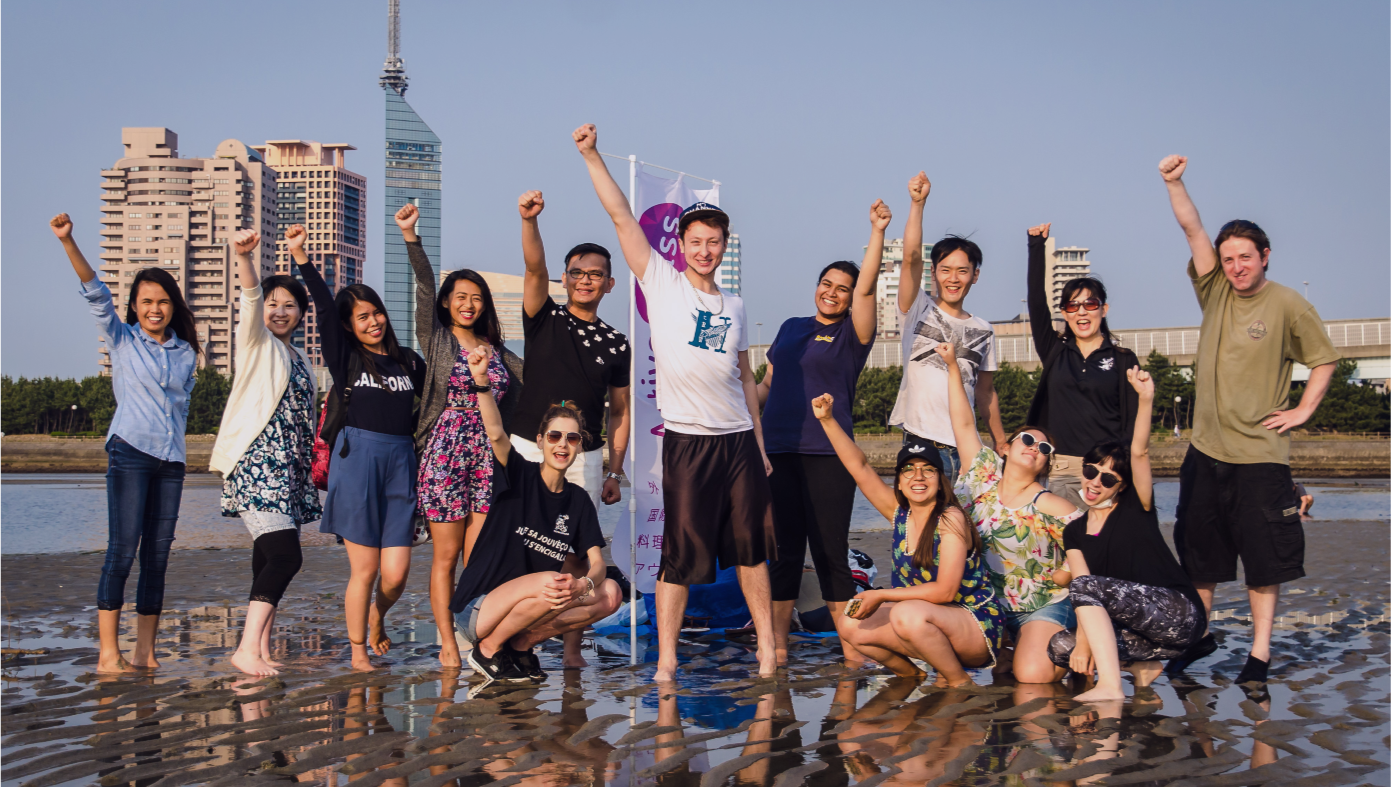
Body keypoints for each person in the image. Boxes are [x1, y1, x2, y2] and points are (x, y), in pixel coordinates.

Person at [574, 123, 778, 680]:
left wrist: (759, 449)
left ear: (723, 247)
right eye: (696, 242)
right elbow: (620, 217)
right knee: (679, 557)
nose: (705, 251)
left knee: (753, 553)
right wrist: (593, 156)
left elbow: (742, 380)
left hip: (738, 440)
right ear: (682, 247)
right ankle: (665, 660)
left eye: (715, 243)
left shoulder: (735, 305)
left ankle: (765, 651)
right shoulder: (662, 283)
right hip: (687, 441)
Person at [1158, 155, 1341, 682]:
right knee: (1200, 555)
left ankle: (1259, 654)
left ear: (1265, 256)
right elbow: (1191, 226)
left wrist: (1304, 410)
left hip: (1260, 456)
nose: (1236, 266)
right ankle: (1201, 635)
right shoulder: (1214, 290)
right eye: (1228, 257)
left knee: (1264, 560)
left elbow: (1325, 359)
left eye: (1245, 257)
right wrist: (1174, 182)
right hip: (1205, 451)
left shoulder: (1288, 306)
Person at [50, 213, 199, 675]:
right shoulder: (122, 339)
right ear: (134, 307)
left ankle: (145, 653)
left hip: (172, 460)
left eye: (163, 301)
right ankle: (108, 654)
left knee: (158, 557)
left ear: (174, 305)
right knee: (122, 551)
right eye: (146, 302)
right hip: (130, 452)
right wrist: (68, 240)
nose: (155, 308)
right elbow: (94, 292)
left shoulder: (187, 353)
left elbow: (182, 411)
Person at [755, 199, 890, 665]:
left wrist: (876, 232)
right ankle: (776, 645)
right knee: (785, 552)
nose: (832, 293)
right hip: (777, 452)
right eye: (827, 284)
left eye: (843, 288)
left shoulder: (855, 334)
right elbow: (767, 386)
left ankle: (852, 647)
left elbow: (869, 287)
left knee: (830, 551)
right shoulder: (791, 327)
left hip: (829, 455)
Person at [294, 224, 427, 671]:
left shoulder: (409, 362)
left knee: (396, 574)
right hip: (357, 463)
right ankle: (357, 653)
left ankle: (377, 616)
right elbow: (327, 313)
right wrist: (302, 258)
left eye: (376, 313)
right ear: (351, 327)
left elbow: (432, 410)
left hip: (400, 464)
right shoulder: (347, 358)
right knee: (365, 570)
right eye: (362, 318)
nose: (372, 322)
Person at [396, 203, 522, 670]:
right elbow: (424, 284)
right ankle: (448, 643)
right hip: (446, 453)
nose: (469, 304)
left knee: (482, 557)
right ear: (448, 302)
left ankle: (480, 637)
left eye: (477, 298)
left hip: (488, 458)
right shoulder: (437, 338)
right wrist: (412, 236)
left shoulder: (499, 353)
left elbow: (538, 388)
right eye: (460, 297)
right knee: (446, 557)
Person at [450, 345, 623, 684]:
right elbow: (497, 433)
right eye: (555, 436)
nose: (562, 444)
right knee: (551, 582)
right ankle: (487, 650)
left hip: (527, 610)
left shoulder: (577, 502)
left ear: (580, 445)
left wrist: (583, 584)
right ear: (541, 441)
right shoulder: (518, 473)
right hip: (478, 608)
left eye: (572, 438)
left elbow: (596, 563)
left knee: (611, 594)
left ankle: (521, 645)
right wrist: (481, 381)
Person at [514, 189, 632, 668]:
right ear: (565, 278)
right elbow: (533, 269)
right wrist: (530, 222)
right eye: (578, 273)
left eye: (596, 275)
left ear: (609, 284)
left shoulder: (617, 343)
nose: (586, 280)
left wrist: (614, 471)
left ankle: (569, 646)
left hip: (583, 456)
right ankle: (507, 628)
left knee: (575, 552)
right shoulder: (544, 318)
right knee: (518, 537)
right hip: (526, 446)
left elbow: (620, 412)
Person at [813, 394, 1004, 685]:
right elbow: (860, 467)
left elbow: (944, 592)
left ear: (941, 480)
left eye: (928, 469)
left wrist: (880, 594)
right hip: (925, 621)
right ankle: (911, 676)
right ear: (899, 482)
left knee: (905, 613)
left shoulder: (950, 517)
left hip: (974, 624)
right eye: (909, 469)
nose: (919, 476)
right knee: (849, 623)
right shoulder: (899, 515)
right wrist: (827, 420)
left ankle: (958, 681)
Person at [1046, 368, 1207, 701]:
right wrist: (1083, 644)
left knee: (1084, 589)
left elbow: (1139, 452)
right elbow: (1082, 584)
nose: (1095, 482)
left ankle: (1111, 686)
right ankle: (1141, 669)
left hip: (1178, 613)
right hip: (1143, 634)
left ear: (1121, 487)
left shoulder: (1137, 507)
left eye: (1107, 479)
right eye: (1091, 471)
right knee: (1062, 646)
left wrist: (1145, 398)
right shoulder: (1074, 532)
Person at [938, 341, 1082, 684]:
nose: (1035, 448)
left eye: (1043, 448)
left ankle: (1074, 644)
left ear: (1047, 463)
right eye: (1027, 440)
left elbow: (1093, 541)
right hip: (987, 605)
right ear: (1008, 447)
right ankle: (1010, 648)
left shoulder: (1049, 504)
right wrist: (953, 367)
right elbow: (962, 421)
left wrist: (1065, 572)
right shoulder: (981, 471)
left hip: (1042, 605)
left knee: (1031, 676)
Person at [212, 229, 320, 677]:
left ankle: (261, 647)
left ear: (300, 315)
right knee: (285, 556)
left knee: (265, 559)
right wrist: (245, 257)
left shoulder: (300, 360)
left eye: (289, 305)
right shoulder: (256, 345)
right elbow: (251, 299)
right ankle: (244, 648)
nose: (279, 310)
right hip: (258, 465)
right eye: (274, 303)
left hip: (289, 471)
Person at [888, 171, 1006, 480]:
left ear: (974, 275)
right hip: (920, 441)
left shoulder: (984, 329)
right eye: (946, 270)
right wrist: (918, 204)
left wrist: (1000, 440)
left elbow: (986, 391)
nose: (953, 279)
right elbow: (911, 258)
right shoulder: (917, 308)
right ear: (934, 272)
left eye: (962, 271)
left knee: (963, 527)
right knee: (921, 526)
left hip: (967, 448)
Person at [1025, 223, 1141, 511]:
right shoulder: (1055, 351)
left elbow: (1133, 423)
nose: (1081, 312)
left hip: (1108, 472)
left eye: (1090, 304)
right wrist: (1036, 246)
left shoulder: (1124, 359)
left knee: (1106, 551)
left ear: (1104, 309)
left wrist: (1119, 469)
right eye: (1072, 306)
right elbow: (1037, 304)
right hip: (1064, 468)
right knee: (1067, 552)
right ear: (1064, 313)